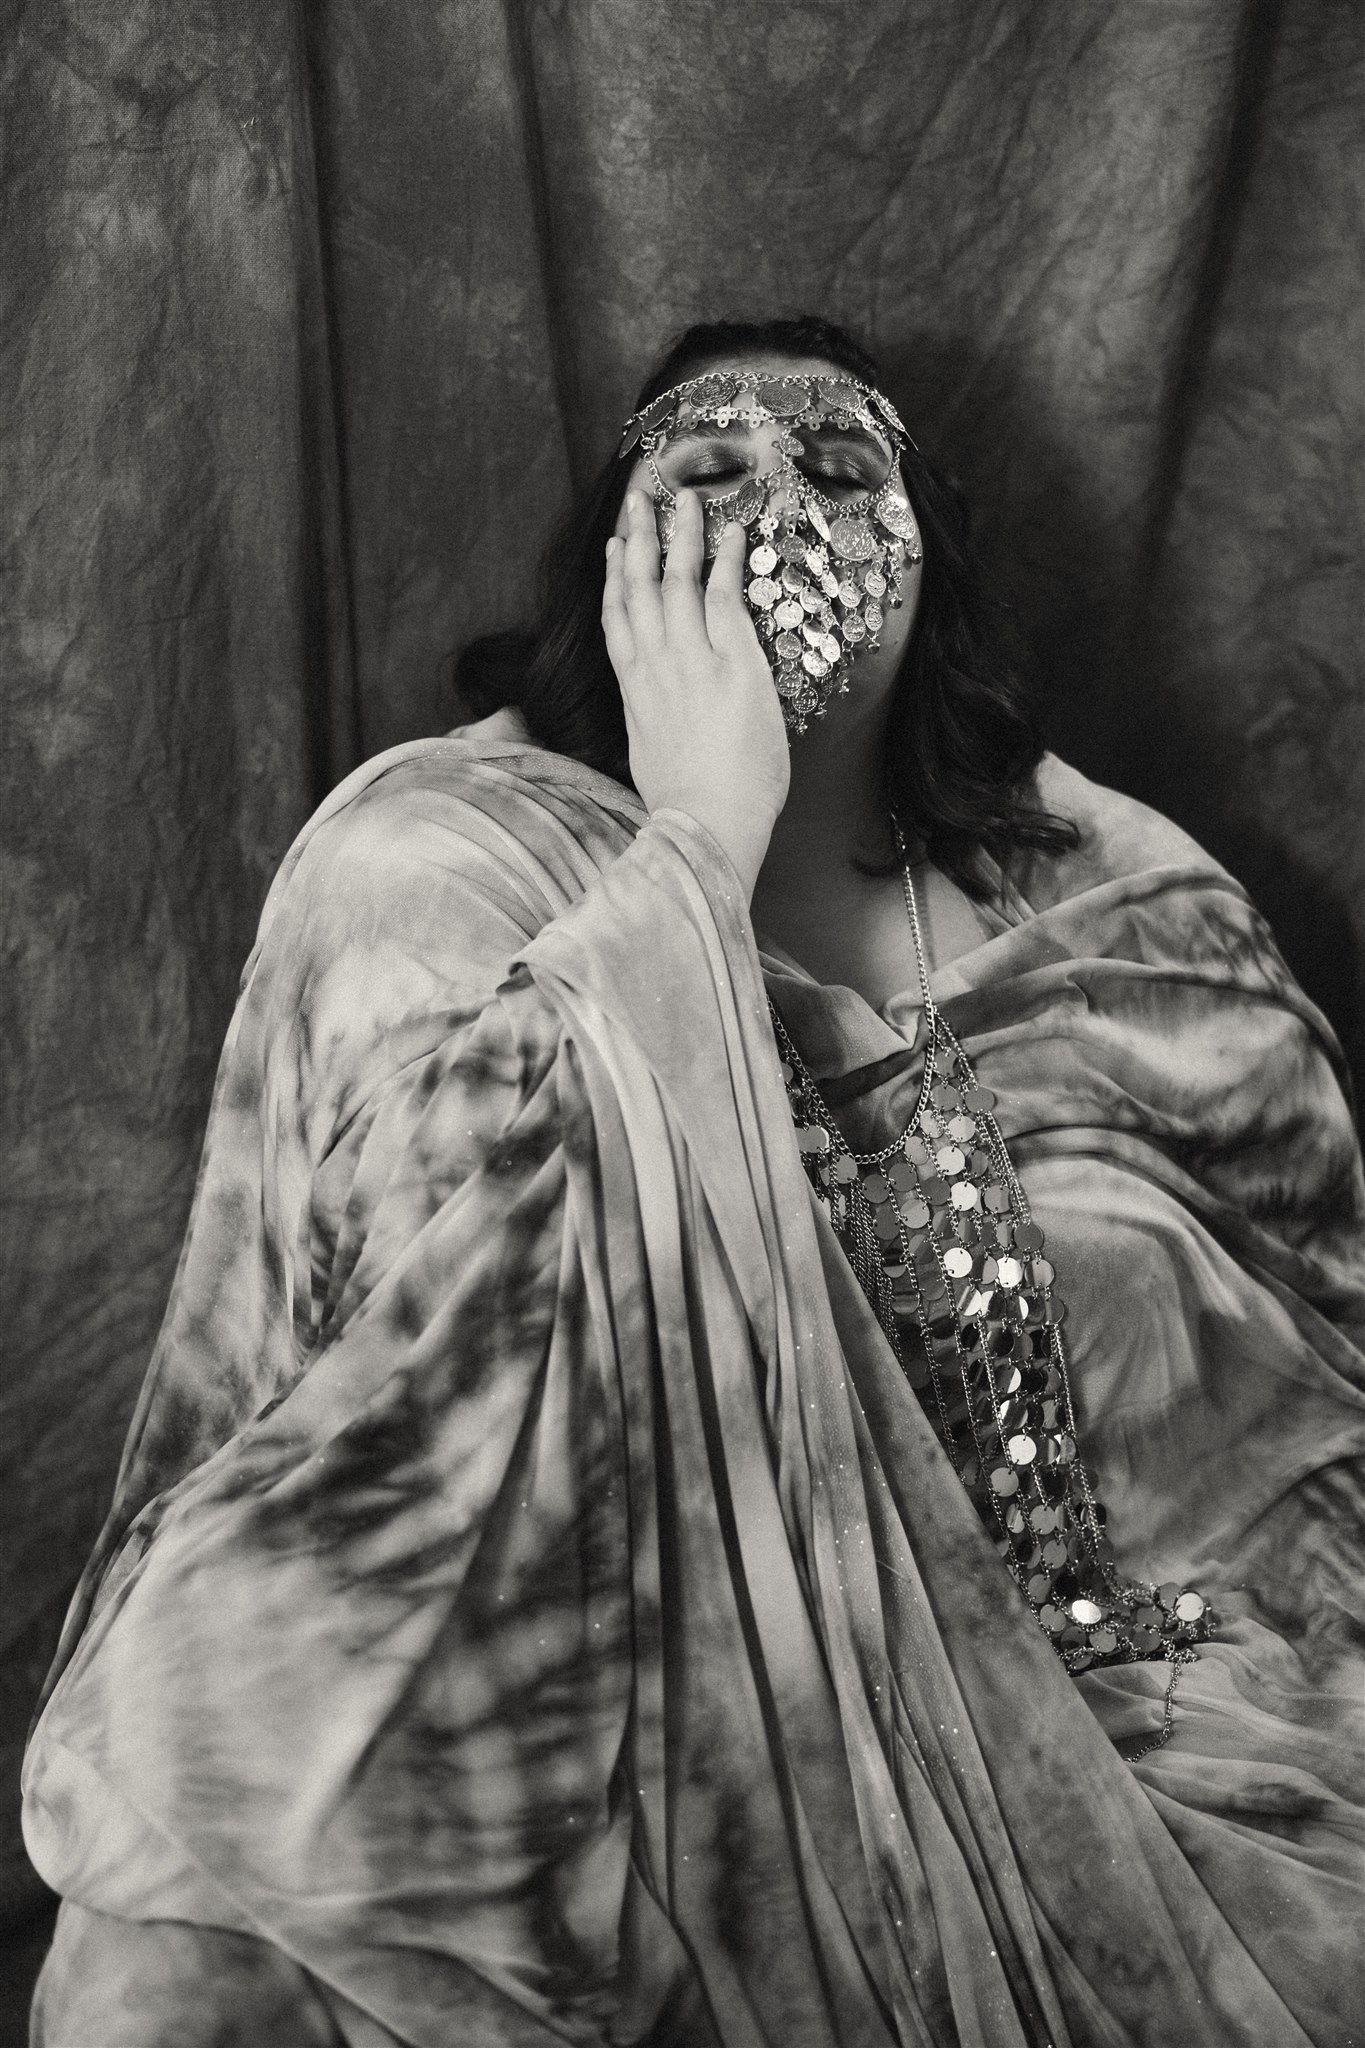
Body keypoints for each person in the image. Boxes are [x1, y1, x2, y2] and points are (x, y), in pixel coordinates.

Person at [22, 317, 1365, 2047]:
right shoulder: (432, 851)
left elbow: (1312, 1387)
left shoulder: (1124, 905)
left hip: (1137, 1711)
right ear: (616, 561)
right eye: (710, 470)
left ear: (929, 562)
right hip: (603, 1699)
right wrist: (701, 842)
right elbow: (432, 1339)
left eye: (842, 469)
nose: (779, 510)